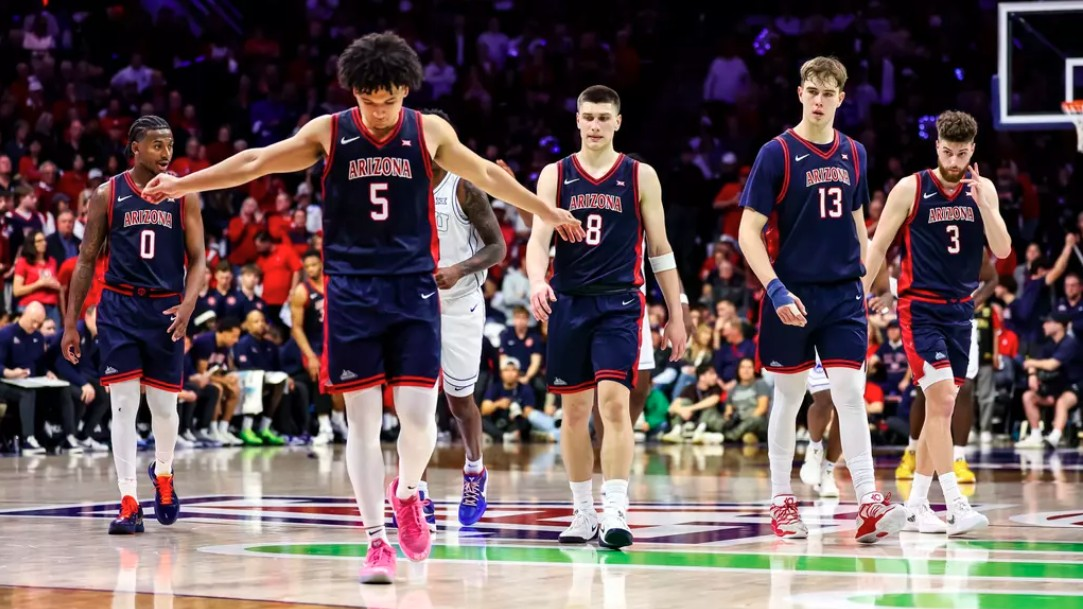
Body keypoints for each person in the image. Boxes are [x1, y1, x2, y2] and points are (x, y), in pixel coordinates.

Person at [141, 32, 582, 584]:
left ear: (406, 92)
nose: (378, 112)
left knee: (419, 419)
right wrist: (183, 184)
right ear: (354, 93)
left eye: (388, 101)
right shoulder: (329, 132)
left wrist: (546, 211)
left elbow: (488, 175)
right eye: (368, 101)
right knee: (364, 424)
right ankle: (376, 541)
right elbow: (256, 161)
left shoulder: (429, 131)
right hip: (351, 292)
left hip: (413, 289)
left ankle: (408, 492)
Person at [737, 56, 904, 543]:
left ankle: (868, 500)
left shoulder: (855, 152)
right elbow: (748, 233)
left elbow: (857, 224)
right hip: (791, 292)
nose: (818, 99)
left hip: (842, 294)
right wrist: (775, 289)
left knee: (850, 394)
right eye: (811, 90)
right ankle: (781, 500)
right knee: (789, 398)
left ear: (840, 99)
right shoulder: (776, 153)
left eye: (827, 93)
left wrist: (869, 280)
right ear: (800, 93)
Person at [526, 84, 686, 549]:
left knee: (614, 405)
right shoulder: (555, 175)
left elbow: (660, 249)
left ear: (618, 122)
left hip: (620, 303)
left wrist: (676, 312)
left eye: (603, 117)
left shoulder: (640, 175)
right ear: (577, 120)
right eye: (588, 117)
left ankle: (616, 508)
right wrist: (536, 281)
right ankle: (582, 510)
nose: (595, 125)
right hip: (569, 301)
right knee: (574, 411)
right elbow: (538, 241)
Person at [865, 110, 1012, 536]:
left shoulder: (982, 189)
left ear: (972, 150)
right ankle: (955, 504)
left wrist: (986, 206)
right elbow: (878, 246)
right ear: (937, 147)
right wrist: (859, 293)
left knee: (939, 410)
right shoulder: (911, 188)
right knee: (944, 399)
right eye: (947, 152)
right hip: (920, 309)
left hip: (961, 310)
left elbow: (1002, 250)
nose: (953, 162)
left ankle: (915, 506)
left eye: (962, 154)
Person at [61, 115, 207, 535]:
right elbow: (86, 259)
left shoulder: (183, 193)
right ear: (135, 148)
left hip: (165, 309)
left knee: (164, 407)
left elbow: (198, 258)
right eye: (157, 145)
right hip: (120, 308)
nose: (166, 152)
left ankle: (163, 473)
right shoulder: (108, 193)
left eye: (170, 145)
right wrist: (71, 323)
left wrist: (188, 304)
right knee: (123, 405)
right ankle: (127, 500)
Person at [424, 108, 508, 526]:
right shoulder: (404, 184)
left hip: (460, 304)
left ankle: (475, 470)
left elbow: (498, 248)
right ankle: (413, 492)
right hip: (417, 305)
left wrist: (459, 269)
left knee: (460, 403)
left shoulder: (464, 186)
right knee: (415, 404)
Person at [894, 251, 998, 483]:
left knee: (965, 388)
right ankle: (911, 452)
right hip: (927, 319)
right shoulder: (923, 241)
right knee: (926, 389)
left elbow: (992, 278)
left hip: (961, 320)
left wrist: (973, 303)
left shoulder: (971, 243)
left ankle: (958, 457)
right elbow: (896, 272)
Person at [288, 249, 340, 445]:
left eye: (314, 265)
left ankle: (338, 422)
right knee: (320, 381)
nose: (310, 269)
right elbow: (296, 328)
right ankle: (324, 426)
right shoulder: (302, 291)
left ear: (321, 264)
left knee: (343, 385)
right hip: (315, 346)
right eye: (307, 266)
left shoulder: (333, 284)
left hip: (336, 343)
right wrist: (310, 355)